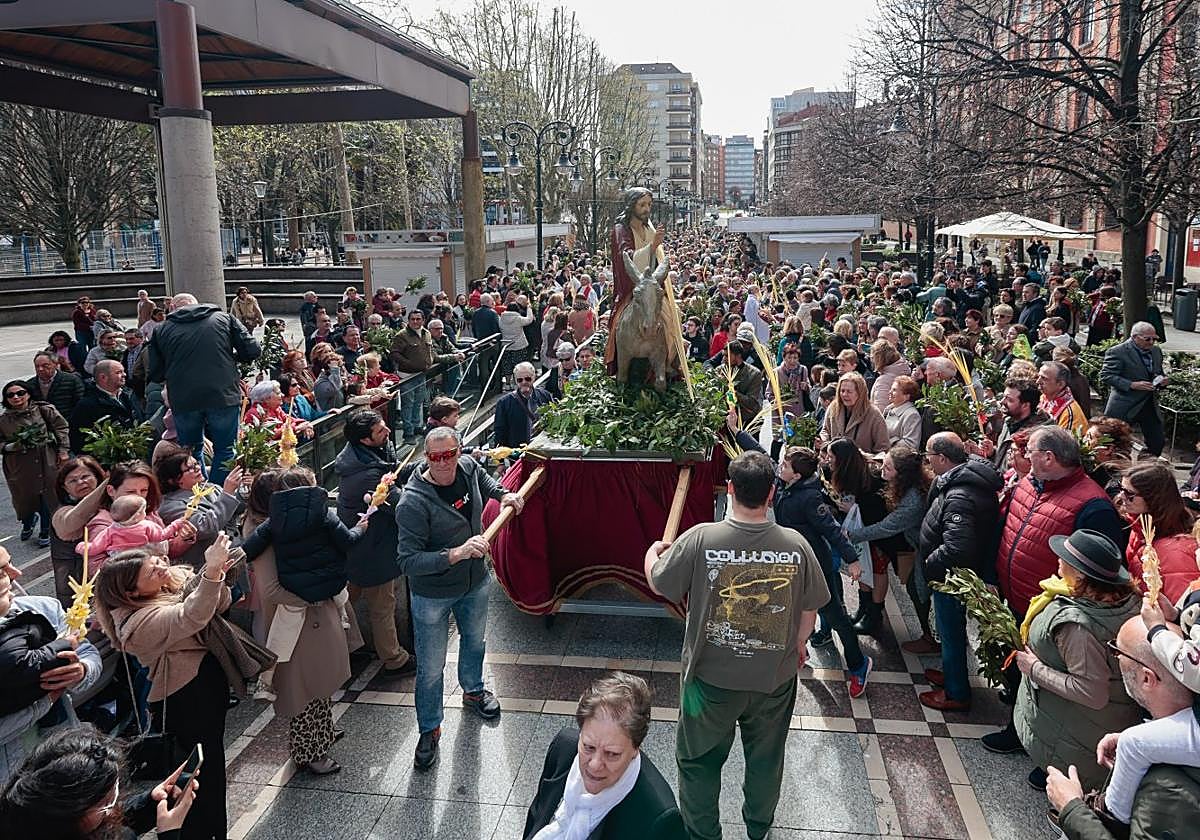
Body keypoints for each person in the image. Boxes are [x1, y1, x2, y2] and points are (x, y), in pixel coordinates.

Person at [644, 451, 829, 840]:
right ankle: (758, 828)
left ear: (729, 489)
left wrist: (653, 554)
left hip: (707, 684)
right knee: (766, 758)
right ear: (772, 493)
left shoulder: (701, 538)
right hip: (773, 681)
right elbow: (809, 609)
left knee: (698, 762)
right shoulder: (794, 545)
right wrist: (797, 645)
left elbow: (661, 584)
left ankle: (703, 834)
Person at [394, 426, 526, 770]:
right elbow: (407, 560)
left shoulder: (467, 467)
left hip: (475, 582)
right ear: (426, 457)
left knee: (475, 642)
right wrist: (455, 553)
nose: (443, 463)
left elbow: (486, 481)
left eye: (449, 454)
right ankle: (429, 728)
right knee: (430, 667)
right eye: (436, 457)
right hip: (432, 596)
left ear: (459, 451)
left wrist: (504, 494)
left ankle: (473, 689)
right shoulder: (413, 502)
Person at [94, 538, 237, 840]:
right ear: (130, 593)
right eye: (151, 571)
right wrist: (211, 574)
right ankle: (199, 831)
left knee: (211, 772)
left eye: (156, 561)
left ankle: (214, 830)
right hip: (185, 699)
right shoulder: (136, 624)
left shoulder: (171, 584)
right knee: (198, 779)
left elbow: (217, 605)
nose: (161, 567)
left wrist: (217, 575)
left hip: (206, 687)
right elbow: (192, 616)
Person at [243, 470, 357, 775]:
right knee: (303, 689)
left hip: (312, 614)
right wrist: (315, 596)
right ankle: (310, 752)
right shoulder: (266, 533)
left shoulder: (291, 527)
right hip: (296, 622)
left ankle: (323, 735)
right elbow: (271, 589)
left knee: (319, 683)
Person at [1047, 616, 1200, 840]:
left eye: (1118, 651)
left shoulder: (1166, 791)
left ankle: (1107, 812)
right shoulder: (1167, 747)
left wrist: (1072, 809)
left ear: (1147, 678)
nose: (1116, 657)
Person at [1013, 530, 1141, 792]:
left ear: (1081, 575)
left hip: (1080, 732)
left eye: (1064, 557)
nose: (1058, 560)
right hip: (1091, 725)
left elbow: (1091, 692)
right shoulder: (1125, 600)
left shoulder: (1077, 626)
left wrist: (1034, 668)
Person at [523, 672, 686, 840]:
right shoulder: (564, 748)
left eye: (611, 754)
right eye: (588, 747)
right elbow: (536, 818)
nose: (594, 765)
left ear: (636, 748)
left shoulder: (660, 819)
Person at [773, 445, 872, 698]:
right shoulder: (786, 484)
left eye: (785, 465)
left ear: (796, 475)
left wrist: (852, 559)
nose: (780, 467)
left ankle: (859, 665)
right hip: (793, 561)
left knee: (836, 616)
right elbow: (762, 456)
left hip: (816, 565)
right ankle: (799, 651)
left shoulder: (809, 498)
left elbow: (832, 530)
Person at [916, 433, 1004, 712]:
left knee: (951, 631)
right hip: (952, 572)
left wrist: (930, 562)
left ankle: (956, 692)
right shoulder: (961, 481)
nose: (927, 462)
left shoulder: (960, 495)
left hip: (952, 576)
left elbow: (957, 547)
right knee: (948, 630)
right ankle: (950, 673)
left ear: (943, 459)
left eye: (929, 457)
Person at [0, 555, 103, 784]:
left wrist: (82, 671)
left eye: (11, 562)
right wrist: (45, 701)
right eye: (1, 572)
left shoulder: (41, 608)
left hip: (63, 749)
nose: (17, 574)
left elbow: (88, 654)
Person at [0, 727, 199, 839]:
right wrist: (169, 833)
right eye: (105, 803)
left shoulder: (32, 817)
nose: (112, 811)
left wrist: (150, 802)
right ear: (67, 811)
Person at [147, 293, 261, 486]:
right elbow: (253, 350)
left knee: (190, 451)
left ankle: (198, 495)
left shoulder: (162, 330)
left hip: (184, 399)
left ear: (172, 308)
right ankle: (219, 493)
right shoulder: (223, 318)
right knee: (225, 449)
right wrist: (229, 359)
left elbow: (156, 373)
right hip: (223, 394)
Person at [334, 409, 414, 675]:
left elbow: (395, 472)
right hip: (372, 551)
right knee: (382, 607)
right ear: (366, 440)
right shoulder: (367, 476)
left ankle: (341, 651)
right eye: (381, 431)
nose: (388, 432)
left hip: (360, 550)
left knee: (344, 602)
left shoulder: (365, 456)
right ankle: (394, 659)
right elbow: (401, 504)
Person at [847, 443, 936, 653]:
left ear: (901, 474)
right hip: (915, 543)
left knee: (918, 590)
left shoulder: (913, 500)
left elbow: (888, 527)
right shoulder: (905, 483)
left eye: (887, 468)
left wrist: (851, 535)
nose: (881, 470)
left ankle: (930, 637)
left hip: (924, 549)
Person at [240, 466, 365, 607]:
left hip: (296, 590)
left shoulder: (275, 521)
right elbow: (347, 540)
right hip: (329, 591)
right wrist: (360, 528)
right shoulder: (324, 514)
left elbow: (249, 550)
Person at [1, 380, 69, 546]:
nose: (16, 397)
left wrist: (63, 450)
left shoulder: (44, 410)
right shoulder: (3, 420)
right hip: (20, 465)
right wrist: (10, 446)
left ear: (28, 393)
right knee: (25, 498)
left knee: (48, 494)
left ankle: (46, 529)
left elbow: (61, 427)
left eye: (20, 393)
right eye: (11, 395)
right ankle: (28, 520)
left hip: (47, 459)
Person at [1118, 462, 1198, 603]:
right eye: (1121, 489)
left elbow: (1182, 608)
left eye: (1129, 493)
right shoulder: (1139, 525)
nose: (1121, 496)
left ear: (1153, 499)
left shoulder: (1176, 553)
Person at [154, 447, 245, 571]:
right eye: (190, 468)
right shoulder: (170, 506)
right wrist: (228, 493)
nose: (197, 468)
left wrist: (244, 490)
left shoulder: (209, 487)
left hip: (234, 556)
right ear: (174, 480)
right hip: (206, 567)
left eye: (196, 463)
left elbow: (236, 509)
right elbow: (205, 528)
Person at [49, 456, 108, 608]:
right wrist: (108, 482)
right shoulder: (62, 512)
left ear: (97, 476)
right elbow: (76, 517)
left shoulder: (111, 503)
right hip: (80, 595)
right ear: (65, 487)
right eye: (73, 480)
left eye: (85, 476)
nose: (81, 482)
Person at [1101, 322, 1166, 457]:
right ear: (1135, 337)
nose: (1152, 342)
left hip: (1148, 404)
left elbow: (1158, 372)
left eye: (1154, 338)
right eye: (1148, 339)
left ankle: (1145, 469)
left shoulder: (1156, 351)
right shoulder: (1117, 351)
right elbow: (1106, 375)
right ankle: (1115, 469)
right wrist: (1131, 384)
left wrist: (1162, 380)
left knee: (1157, 442)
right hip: (1124, 404)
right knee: (1115, 442)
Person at [76, 494, 188, 564]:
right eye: (143, 511)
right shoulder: (146, 526)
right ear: (137, 515)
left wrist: (83, 547)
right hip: (143, 556)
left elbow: (96, 547)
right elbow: (161, 536)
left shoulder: (111, 530)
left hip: (120, 559)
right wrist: (176, 524)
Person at [67, 359, 140, 455]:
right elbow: (79, 439)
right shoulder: (86, 405)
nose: (124, 375)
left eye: (124, 371)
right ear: (103, 377)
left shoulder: (128, 396)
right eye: (118, 372)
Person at [985, 378, 1048, 473]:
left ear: (1025, 405)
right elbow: (1004, 462)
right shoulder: (1009, 421)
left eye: (1009, 400)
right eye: (1003, 397)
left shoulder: (1035, 438)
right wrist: (992, 453)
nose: (1002, 402)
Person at [390, 309, 434, 444]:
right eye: (412, 319)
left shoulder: (426, 333)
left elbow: (430, 351)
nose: (415, 321)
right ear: (408, 321)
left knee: (418, 402)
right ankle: (408, 432)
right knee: (408, 404)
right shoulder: (401, 335)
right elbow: (394, 354)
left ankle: (417, 427)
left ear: (423, 320)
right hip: (407, 376)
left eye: (418, 319)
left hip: (421, 374)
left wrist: (429, 361)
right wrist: (408, 363)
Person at [820, 372, 889, 454]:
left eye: (849, 391)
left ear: (860, 393)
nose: (845, 394)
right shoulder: (833, 407)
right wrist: (824, 441)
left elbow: (883, 448)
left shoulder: (874, 415)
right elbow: (825, 431)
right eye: (842, 391)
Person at [494, 361, 551, 448]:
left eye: (527, 379)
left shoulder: (545, 396)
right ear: (515, 380)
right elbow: (500, 433)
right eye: (520, 380)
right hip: (517, 453)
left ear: (534, 377)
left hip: (543, 449)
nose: (524, 382)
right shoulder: (504, 403)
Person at [27, 352, 84, 421]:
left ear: (56, 365)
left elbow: (80, 404)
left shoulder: (72, 380)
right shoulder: (30, 384)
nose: (40, 369)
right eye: (37, 366)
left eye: (45, 365)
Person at [1037, 361, 1088, 435]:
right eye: (1038, 376)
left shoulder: (1070, 413)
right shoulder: (1044, 397)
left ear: (1060, 384)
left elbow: (1063, 444)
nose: (1037, 381)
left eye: (1044, 378)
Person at [869, 341, 910, 413]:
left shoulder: (884, 380)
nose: (872, 361)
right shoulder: (906, 370)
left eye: (873, 358)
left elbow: (879, 410)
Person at [883, 375, 922, 449]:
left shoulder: (912, 415)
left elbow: (910, 444)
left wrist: (889, 442)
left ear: (906, 396)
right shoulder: (889, 409)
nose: (890, 392)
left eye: (894, 390)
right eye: (891, 389)